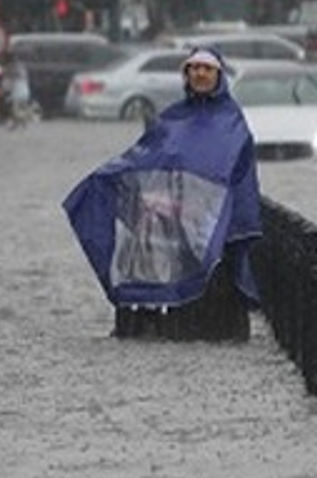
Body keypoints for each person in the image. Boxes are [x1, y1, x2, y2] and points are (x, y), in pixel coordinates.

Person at [62, 46, 263, 322]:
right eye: (194, 68)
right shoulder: (171, 118)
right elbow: (145, 157)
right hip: (168, 225)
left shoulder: (232, 120)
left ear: (219, 75)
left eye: (207, 69)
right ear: (186, 74)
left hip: (211, 227)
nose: (200, 74)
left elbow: (238, 173)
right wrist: (108, 177)